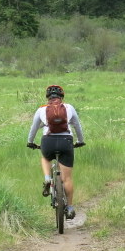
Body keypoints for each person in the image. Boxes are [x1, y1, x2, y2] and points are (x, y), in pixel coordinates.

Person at [27, 84, 85, 219]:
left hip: (48, 141)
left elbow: (34, 128)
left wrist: (30, 142)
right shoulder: (69, 108)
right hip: (66, 141)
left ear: (48, 98)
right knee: (67, 179)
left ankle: (47, 178)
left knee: (45, 157)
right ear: (62, 97)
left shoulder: (42, 109)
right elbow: (77, 126)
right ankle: (70, 207)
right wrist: (80, 141)